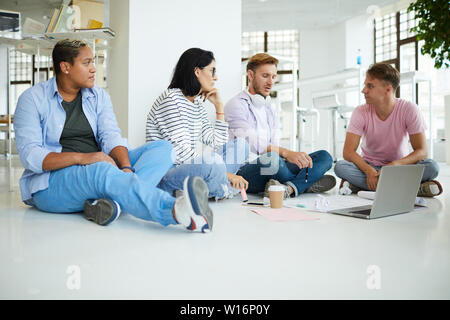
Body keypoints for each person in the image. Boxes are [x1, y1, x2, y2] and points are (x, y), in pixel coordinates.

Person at [13, 39, 213, 233]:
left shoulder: (98, 95)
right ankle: (178, 211)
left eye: (94, 62)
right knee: (101, 169)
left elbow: (111, 136)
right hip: (52, 183)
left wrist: (125, 169)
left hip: (101, 165)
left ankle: (113, 205)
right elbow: (31, 156)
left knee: (163, 148)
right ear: (65, 67)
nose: (94, 68)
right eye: (87, 63)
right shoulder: (32, 99)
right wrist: (85, 158)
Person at [224, 53, 335, 199]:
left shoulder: (269, 107)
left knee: (324, 157)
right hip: (247, 169)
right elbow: (255, 144)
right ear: (250, 75)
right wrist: (288, 154)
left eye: (274, 77)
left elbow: (275, 144)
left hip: (275, 165)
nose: (270, 82)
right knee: (274, 160)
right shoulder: (236, 104)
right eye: (265, 76)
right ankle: (305, 183)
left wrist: (292, 157)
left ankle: (288, 188)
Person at [146, 48, 249, 199]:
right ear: (197, 71)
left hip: (191, 167)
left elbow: (217, 142)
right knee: (212, 161)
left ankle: (213, 189)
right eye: (212, 71)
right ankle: (221, 190)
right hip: (168, 172)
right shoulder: (171, 100)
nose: (216, 77)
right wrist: (227, 175)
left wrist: (219, 107)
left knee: (241, 145)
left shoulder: (196, 104)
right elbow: (181, 154)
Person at [334, 62, 442, 197]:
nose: (364, 90)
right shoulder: (360, 112)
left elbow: (422, 151)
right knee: (340, 167)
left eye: (370, 86)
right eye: (365, 85)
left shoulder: (409, 109)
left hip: (398, 167)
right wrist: (369, 171)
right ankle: (411, 188)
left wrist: (395, 165)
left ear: (388, 89)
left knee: (432, 167)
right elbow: (348, 152)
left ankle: (364, 186)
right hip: (370, 167)